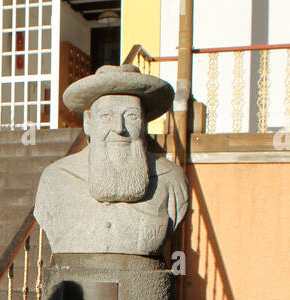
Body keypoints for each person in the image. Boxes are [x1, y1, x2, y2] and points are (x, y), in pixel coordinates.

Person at [34, 65, 189, 256]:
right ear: (88, 123)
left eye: (131, 116)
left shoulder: (172, 180)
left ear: (144, 123)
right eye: (106, 115)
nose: (119, 127)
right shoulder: (55, 180)